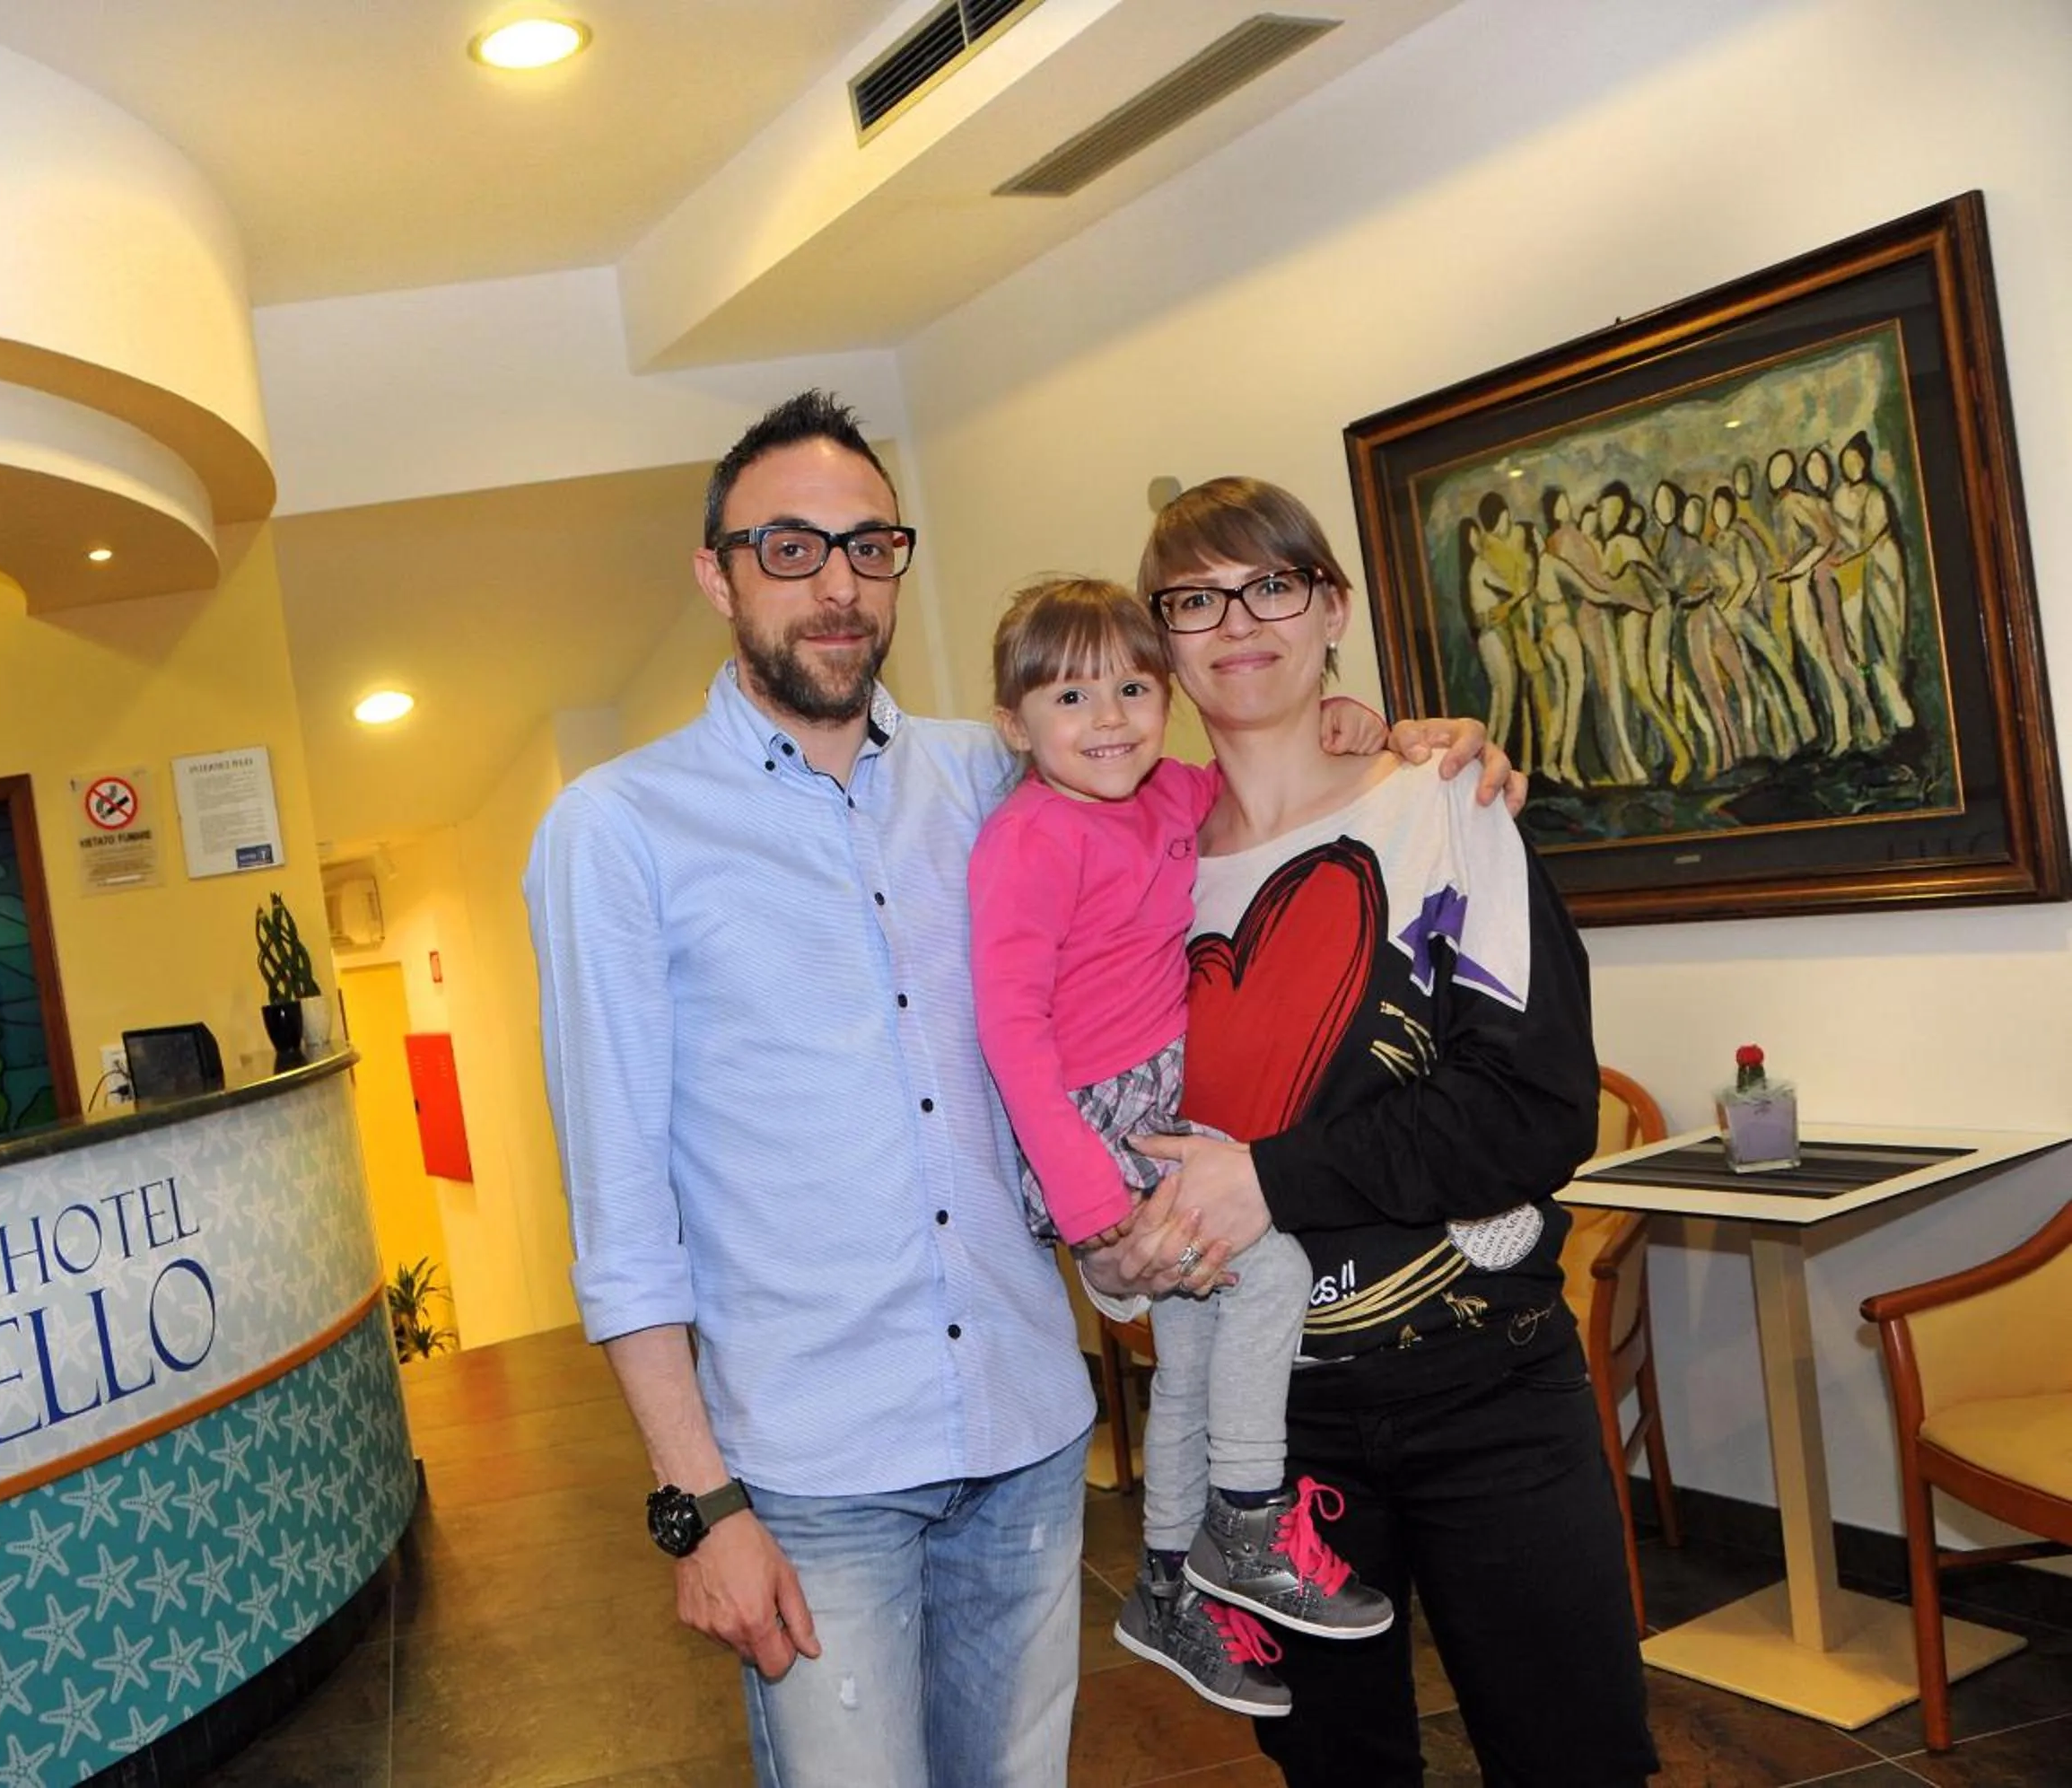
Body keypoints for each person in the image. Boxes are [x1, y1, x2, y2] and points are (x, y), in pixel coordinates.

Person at [523, 393, 1510, 1788]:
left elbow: (1189, 785)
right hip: (816, 1467)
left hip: (1028, 1424)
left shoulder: (989, 770)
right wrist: (700, 1503)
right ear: (718, 574)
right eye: (791, 548)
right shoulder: (618, 829)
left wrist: (1367, 730)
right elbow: (621, 1204)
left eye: (871, 546)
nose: (838, 584)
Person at [1093, 476, 1658, 1786]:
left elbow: (1533, 1109)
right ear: (1161, 639)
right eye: (1195, 601)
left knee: (1576, 1760)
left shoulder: (1446, 803)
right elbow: (1093, 1113)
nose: (1239, 622)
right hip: (1270, 1444)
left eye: (1271, 585)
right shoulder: (1133, 872)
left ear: (1333, 607)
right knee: (1339, 1773)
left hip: (1486, 1388)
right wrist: (1110, 1248)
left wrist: (1270, 1180)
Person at [966, 576, 1393, 1721]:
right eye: (1070, 697)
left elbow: (1269, 772)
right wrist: (1087, 1198)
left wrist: (1345, 719)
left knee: (1198, 1337)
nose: (1108, 718)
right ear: (1015, 724)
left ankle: (1166, 1581)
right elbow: (1008, 1026)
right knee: (1276, 1272)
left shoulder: (1170, 791)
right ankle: (1247, 1520)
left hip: (1164, 1101)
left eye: (1132, 689)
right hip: (1096, 1123)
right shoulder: (1029, 839)